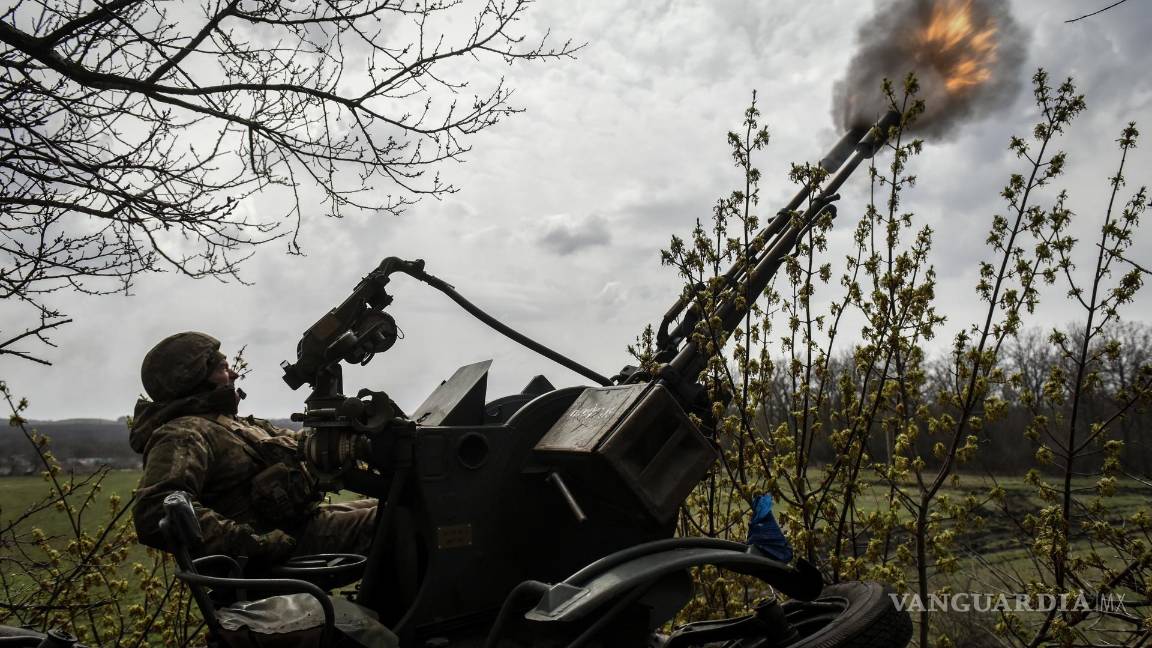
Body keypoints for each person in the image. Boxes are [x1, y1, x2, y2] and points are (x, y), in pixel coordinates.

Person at [130, 332, 376, 564]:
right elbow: (154, 511)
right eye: (223, 369)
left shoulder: (229, 425)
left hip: (301, 526)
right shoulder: (184, 433)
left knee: (401, 504)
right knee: (397, 519)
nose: (235, 374)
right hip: (279, 550)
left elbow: (301, 444)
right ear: (194, 381)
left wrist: (358, 436)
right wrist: (249, 544)